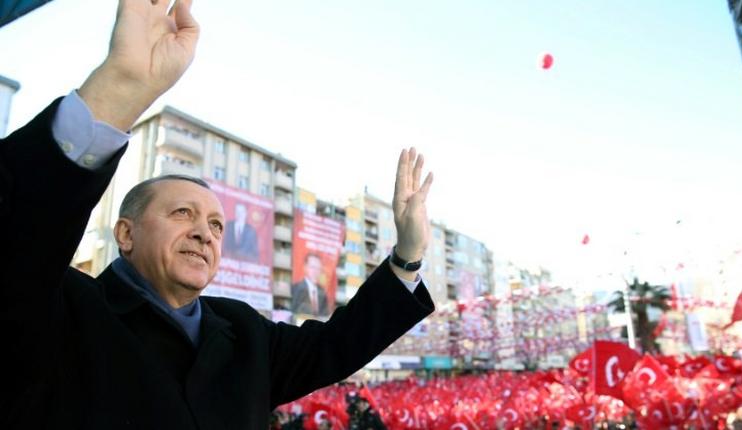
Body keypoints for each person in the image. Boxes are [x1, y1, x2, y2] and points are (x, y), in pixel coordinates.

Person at [0, 1, 435, 428]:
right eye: (182, 213)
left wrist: (408, 255)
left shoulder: (243, 333)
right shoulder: (63, 310)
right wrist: (118, 90)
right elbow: (26, 229)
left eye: (215, 225)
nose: (204, 234)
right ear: (125, 234)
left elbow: (338, 345)